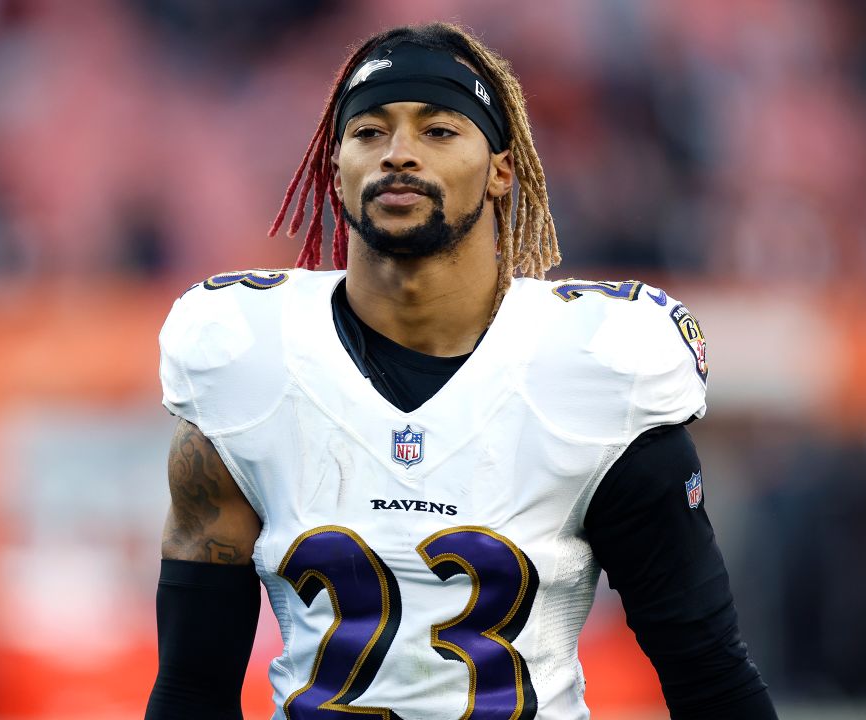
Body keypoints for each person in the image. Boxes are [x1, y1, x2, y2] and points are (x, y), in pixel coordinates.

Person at [146, 23, 777, 720]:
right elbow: (191, 690)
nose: (398, 154)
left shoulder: (596, 372)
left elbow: (708, 678)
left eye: (439, 130)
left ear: (502, 168)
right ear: (335, 168)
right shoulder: (247, 360)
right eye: (369, 132)